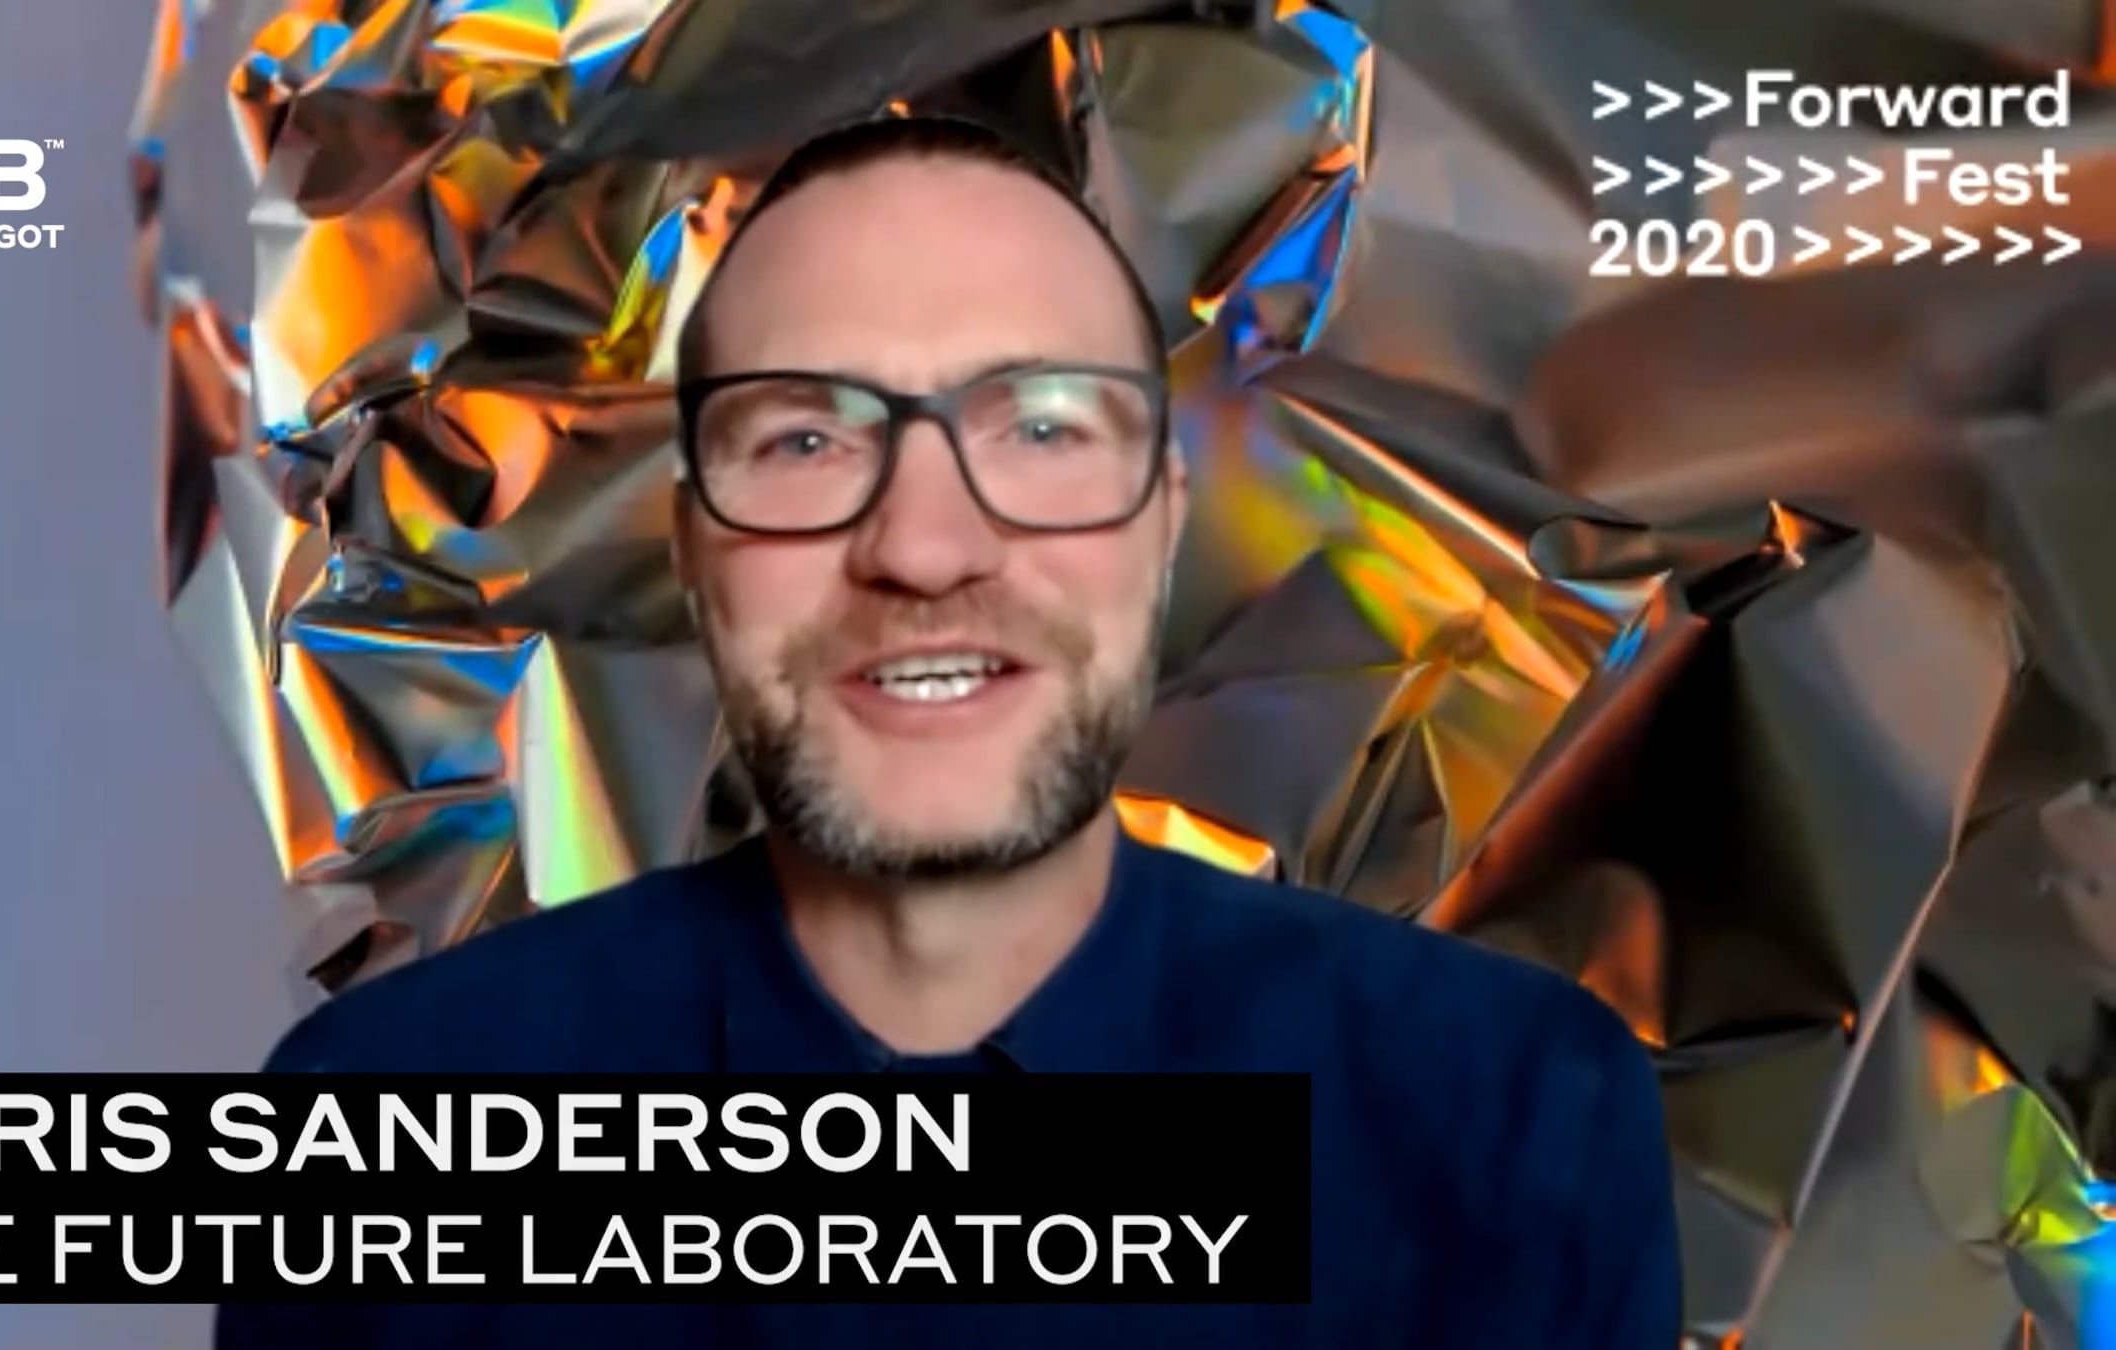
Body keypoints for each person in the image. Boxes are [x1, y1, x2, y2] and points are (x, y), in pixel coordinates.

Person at [217, 115, 1680, 1348]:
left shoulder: (1514, 1128)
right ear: (697, 549)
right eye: (807, 440)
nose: (923, 547)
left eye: (1041, 428)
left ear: (1162, 524)